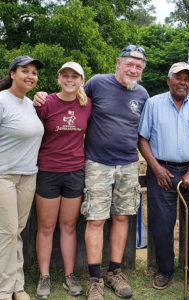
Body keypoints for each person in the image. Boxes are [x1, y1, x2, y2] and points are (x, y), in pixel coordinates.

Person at [33, 45, 149, 300]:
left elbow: (144, 131)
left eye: (139, 66)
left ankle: (114, 273)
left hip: (129, 163)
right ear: (118, 62)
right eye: (129, 63)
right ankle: (95, 279)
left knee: (122, 218)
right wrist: (40, 95)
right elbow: (71, 97)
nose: (133, 69)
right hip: (97, 163)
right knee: (96, 220)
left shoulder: (142, 93)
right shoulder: (98, 83)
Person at [138, 62, 189, 295]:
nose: (183, 82)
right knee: (162, 222)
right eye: (178, 78)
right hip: (161, 169)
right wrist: (155, 168)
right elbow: (142, 139)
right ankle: (164, 270)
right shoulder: (153, 104)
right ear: (168, 80)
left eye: (187, 79)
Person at [34, 62, 92, 299]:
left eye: (74, 76)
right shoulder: (45, 103)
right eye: (65, 75)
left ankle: (69, 276)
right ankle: (44, 277)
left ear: (81, 81)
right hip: (48, 170)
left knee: (68, 226)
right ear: (58, 79)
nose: (69, 80)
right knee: (46, 227)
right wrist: (36, 95)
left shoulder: (86, 105)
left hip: (74, 171)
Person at [0, 56, 44, 300]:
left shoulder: (29, 104)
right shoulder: (2, 101)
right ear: (13, 73)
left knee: (16, 231)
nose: (31, 76)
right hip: (3, 175)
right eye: (25, 71)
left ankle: (17, 286)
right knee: (6, 233)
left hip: (28, 175)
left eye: (34, 72)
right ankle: (5, 289)